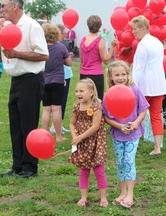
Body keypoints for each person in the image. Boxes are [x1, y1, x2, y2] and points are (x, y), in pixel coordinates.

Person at [0, 0, 49, 178]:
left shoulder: (31, 25)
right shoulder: (7, 27)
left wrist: (17, 54)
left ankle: (30, 167)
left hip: (31, 80)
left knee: (28, 124)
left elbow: (43, 55)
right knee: (15, 125)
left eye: (4, 5)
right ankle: (17, 165)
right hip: (16, 80)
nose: (1, 9)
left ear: (15, 6)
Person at [103, 61, 148, 208]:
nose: (121, 77)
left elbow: (143, 109)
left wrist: (135, 123)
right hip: (118, 134)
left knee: (129, 161)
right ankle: (122, 192)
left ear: (128, 74)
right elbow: (107, 117)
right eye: (117, 75)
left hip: (133, 134)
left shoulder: (134, 89)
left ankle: (130, 194)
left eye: (123, 74)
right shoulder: (108, 94)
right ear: (110, 77)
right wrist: (120, 126)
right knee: (120, 162)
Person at [69, 78, 108, 207]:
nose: (78, 94)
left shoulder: (96, 107)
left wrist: (80, 137)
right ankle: (83, 197)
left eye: (81, 91)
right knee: (84, 170)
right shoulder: (76, 107)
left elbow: (95, 126)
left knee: (99, 171)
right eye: (76, 91)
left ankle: (103, 198)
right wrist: (75, 136)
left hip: (96, 143)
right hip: (83, 144)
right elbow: (72, 123)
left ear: (91, 92)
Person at [131, 15, 166, 156]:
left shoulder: (143, 45)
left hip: (145, 86)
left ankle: (134, 143)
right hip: (158, 85)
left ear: (143, 28)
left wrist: (132, 85)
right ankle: (157, 147)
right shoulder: (157, 41)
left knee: (137, 115)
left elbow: (139, 68)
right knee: (156, 116)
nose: (133, 32)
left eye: (135, 29)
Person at [41, 23, 72, 143]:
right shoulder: (61, 47)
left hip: (44, 81)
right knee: (57, 109)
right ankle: (58, 136)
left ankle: (44, 135)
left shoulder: (41, 47)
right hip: (58, 81)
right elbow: (69, 63)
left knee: (46, 109)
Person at [79, 15, 117, 101]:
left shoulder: (82, 40)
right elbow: (106, 60)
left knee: (84, 101)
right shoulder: (100, 41)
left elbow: (81, 61)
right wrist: (112, 47)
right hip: (96, 75)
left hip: (83, 74)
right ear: (100, 26)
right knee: (97, 102)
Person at [49, 24, 73, 134]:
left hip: (64, 75)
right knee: (59, 102)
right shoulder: (58, 46)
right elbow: (66, 62)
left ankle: (59, 124)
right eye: (63, 33)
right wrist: (67, 57)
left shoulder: (60, 45)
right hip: (61, 75)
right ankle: (54, 126)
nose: (65, 35)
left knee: (62, 102)